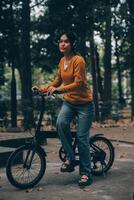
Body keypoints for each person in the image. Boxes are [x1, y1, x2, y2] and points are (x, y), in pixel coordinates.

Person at [36, 31, 94, 187]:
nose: (62, 44)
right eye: (61, 41)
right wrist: (43, 88)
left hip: (85, 105)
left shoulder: (78, 60)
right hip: (69, 102)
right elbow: (57, 81)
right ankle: (71, 157)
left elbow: (79, 83)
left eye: (66, 41)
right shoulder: (62, 61)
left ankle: (86, 174)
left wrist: (59, 90)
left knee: (82, 139)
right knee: (61, 124)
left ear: (72, 44)